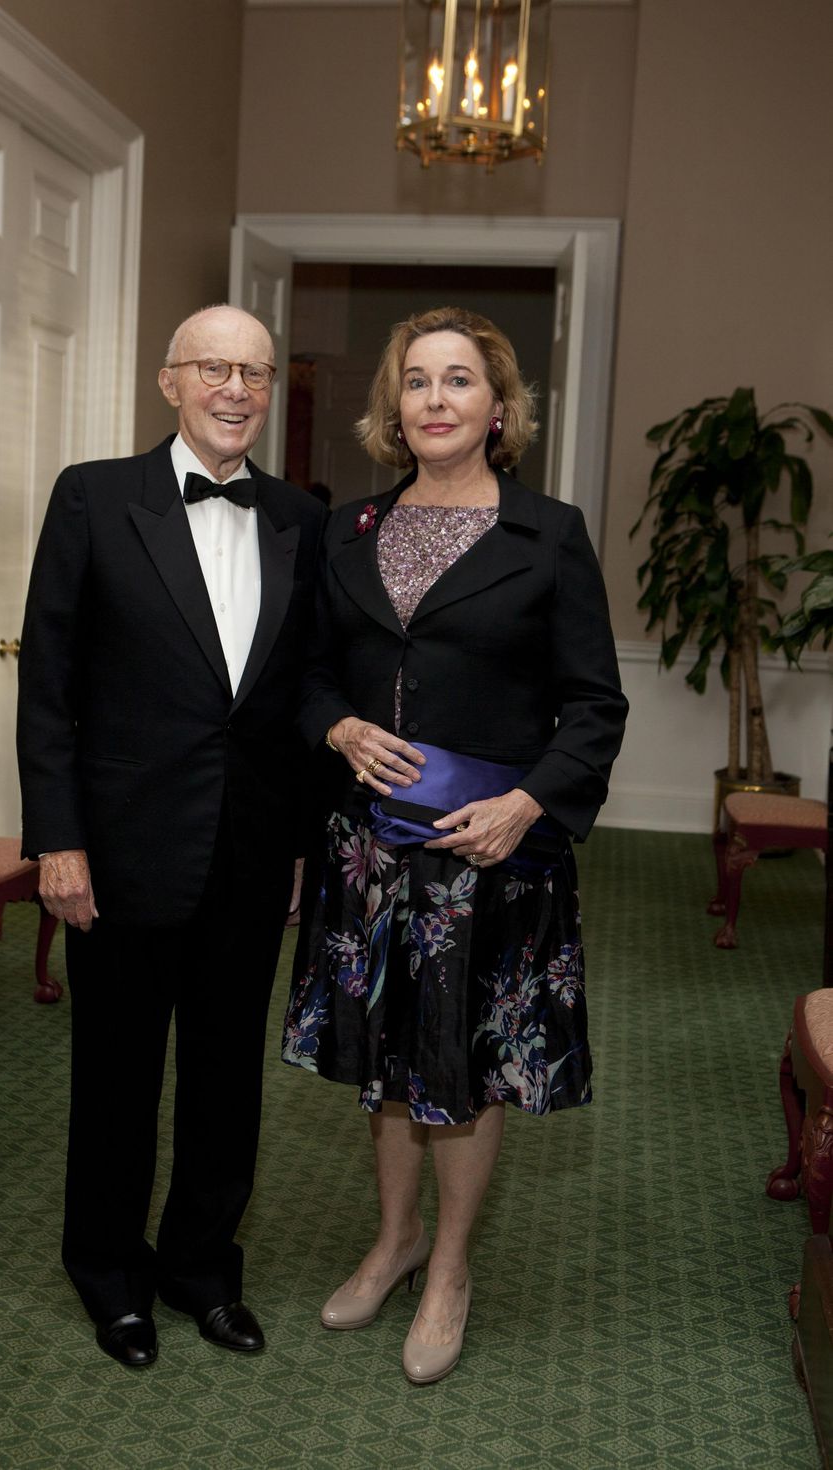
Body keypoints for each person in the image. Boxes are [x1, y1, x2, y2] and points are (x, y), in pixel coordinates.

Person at [283, 306, 627, 1385]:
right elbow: (306, 675)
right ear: (394, 407)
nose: (435, 399)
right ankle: (393, 1243)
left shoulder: (548, 534)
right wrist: (334, 727)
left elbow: (594, 706)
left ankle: (451, 1272)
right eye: (416, 381)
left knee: (464, 1068)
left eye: (458, 381)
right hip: (369, 855)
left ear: (497, 406)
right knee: (388, 1067)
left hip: (490, 854)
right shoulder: (344, 531)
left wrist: (528, 803)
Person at [17, 305, 326, 1369]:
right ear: (168, 382)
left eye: (253, 371)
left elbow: (297, 702)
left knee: (225, 1079)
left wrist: (295, 844)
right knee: (114, 1079)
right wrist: (56, 841)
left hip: (248, 852)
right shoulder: (95, 496)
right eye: (212, 368)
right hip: (119, 850)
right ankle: (109, 1274)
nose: (234, 389)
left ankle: (200, 1267)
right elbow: (48, 687)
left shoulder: (301, 516)